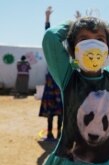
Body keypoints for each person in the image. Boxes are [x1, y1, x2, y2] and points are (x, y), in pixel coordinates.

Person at [42, 15, 109, 165]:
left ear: (107, 50)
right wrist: (74, 24)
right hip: (72, 162)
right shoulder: (68, 78)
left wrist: (106, 25)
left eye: (100, 39)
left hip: (107, 161)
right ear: (73, 50)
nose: (93, 45)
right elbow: (51, 37)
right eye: (84, 39)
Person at [39, 6, 63, 140]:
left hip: (59, 84)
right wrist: (47, 18)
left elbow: (76, 44)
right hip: (51, 85)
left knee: (60, 112)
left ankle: (59, 134)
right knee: (51, 111)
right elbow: (47, 34)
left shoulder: (66, 54)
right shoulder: (50, 51)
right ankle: (49, 133)